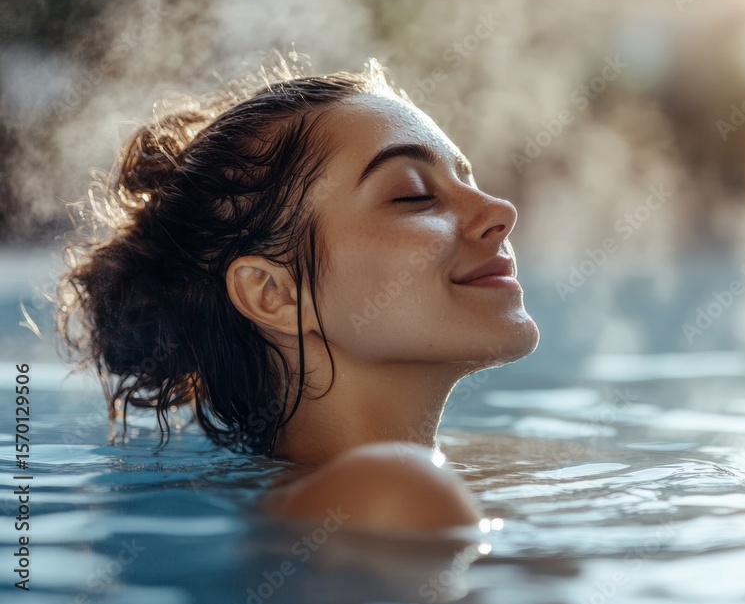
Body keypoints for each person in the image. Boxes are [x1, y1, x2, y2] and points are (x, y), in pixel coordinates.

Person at [55, 58, 540, 534]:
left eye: (467, 179)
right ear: (273, 295)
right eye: (412, 194)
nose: (499, 209)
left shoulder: (446, 470)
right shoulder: (391, 494)